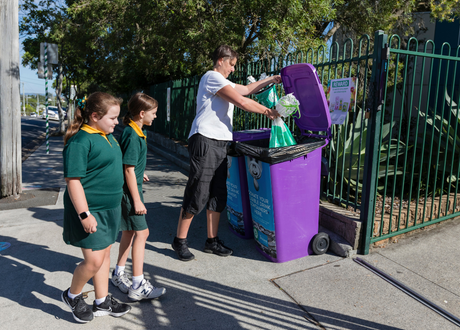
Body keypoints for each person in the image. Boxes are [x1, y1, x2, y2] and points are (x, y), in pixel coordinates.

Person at [172, 45, 281, 261]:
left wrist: (272, 80)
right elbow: (241, 101)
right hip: (205, 139)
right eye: (231, 65)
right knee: (198, 192)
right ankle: (179, 241)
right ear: (221, 59)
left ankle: (211, 241)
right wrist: (268, 111)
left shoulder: (224, 81)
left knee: (218, 193)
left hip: (221, 142)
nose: (232, 69)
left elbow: (248, 90)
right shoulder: (211, 77)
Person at [61, 92, 131, 323]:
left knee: (104, 254)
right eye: (112, 118)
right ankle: (73, 295)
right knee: (93, 261)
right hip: (90, 211)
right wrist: (84, 214)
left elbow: (110, 166)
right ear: (94, 116)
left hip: (110, 209)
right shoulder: (81, 141)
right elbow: (73, 181)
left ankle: (102, 301)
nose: (117, 122)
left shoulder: (108, 136)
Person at [111, 93, 166, 301]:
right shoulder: (134, 135)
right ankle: (138, 284)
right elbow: (128, 169)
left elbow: (129, 164)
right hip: (130, 194)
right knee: (143, 233)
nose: (156, 117)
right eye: (153, 113)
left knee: (131, 233)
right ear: (142, 114)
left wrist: (138, 170)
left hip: (128, 190)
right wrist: (137, 200)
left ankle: (118, 273)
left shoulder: (133, 131)